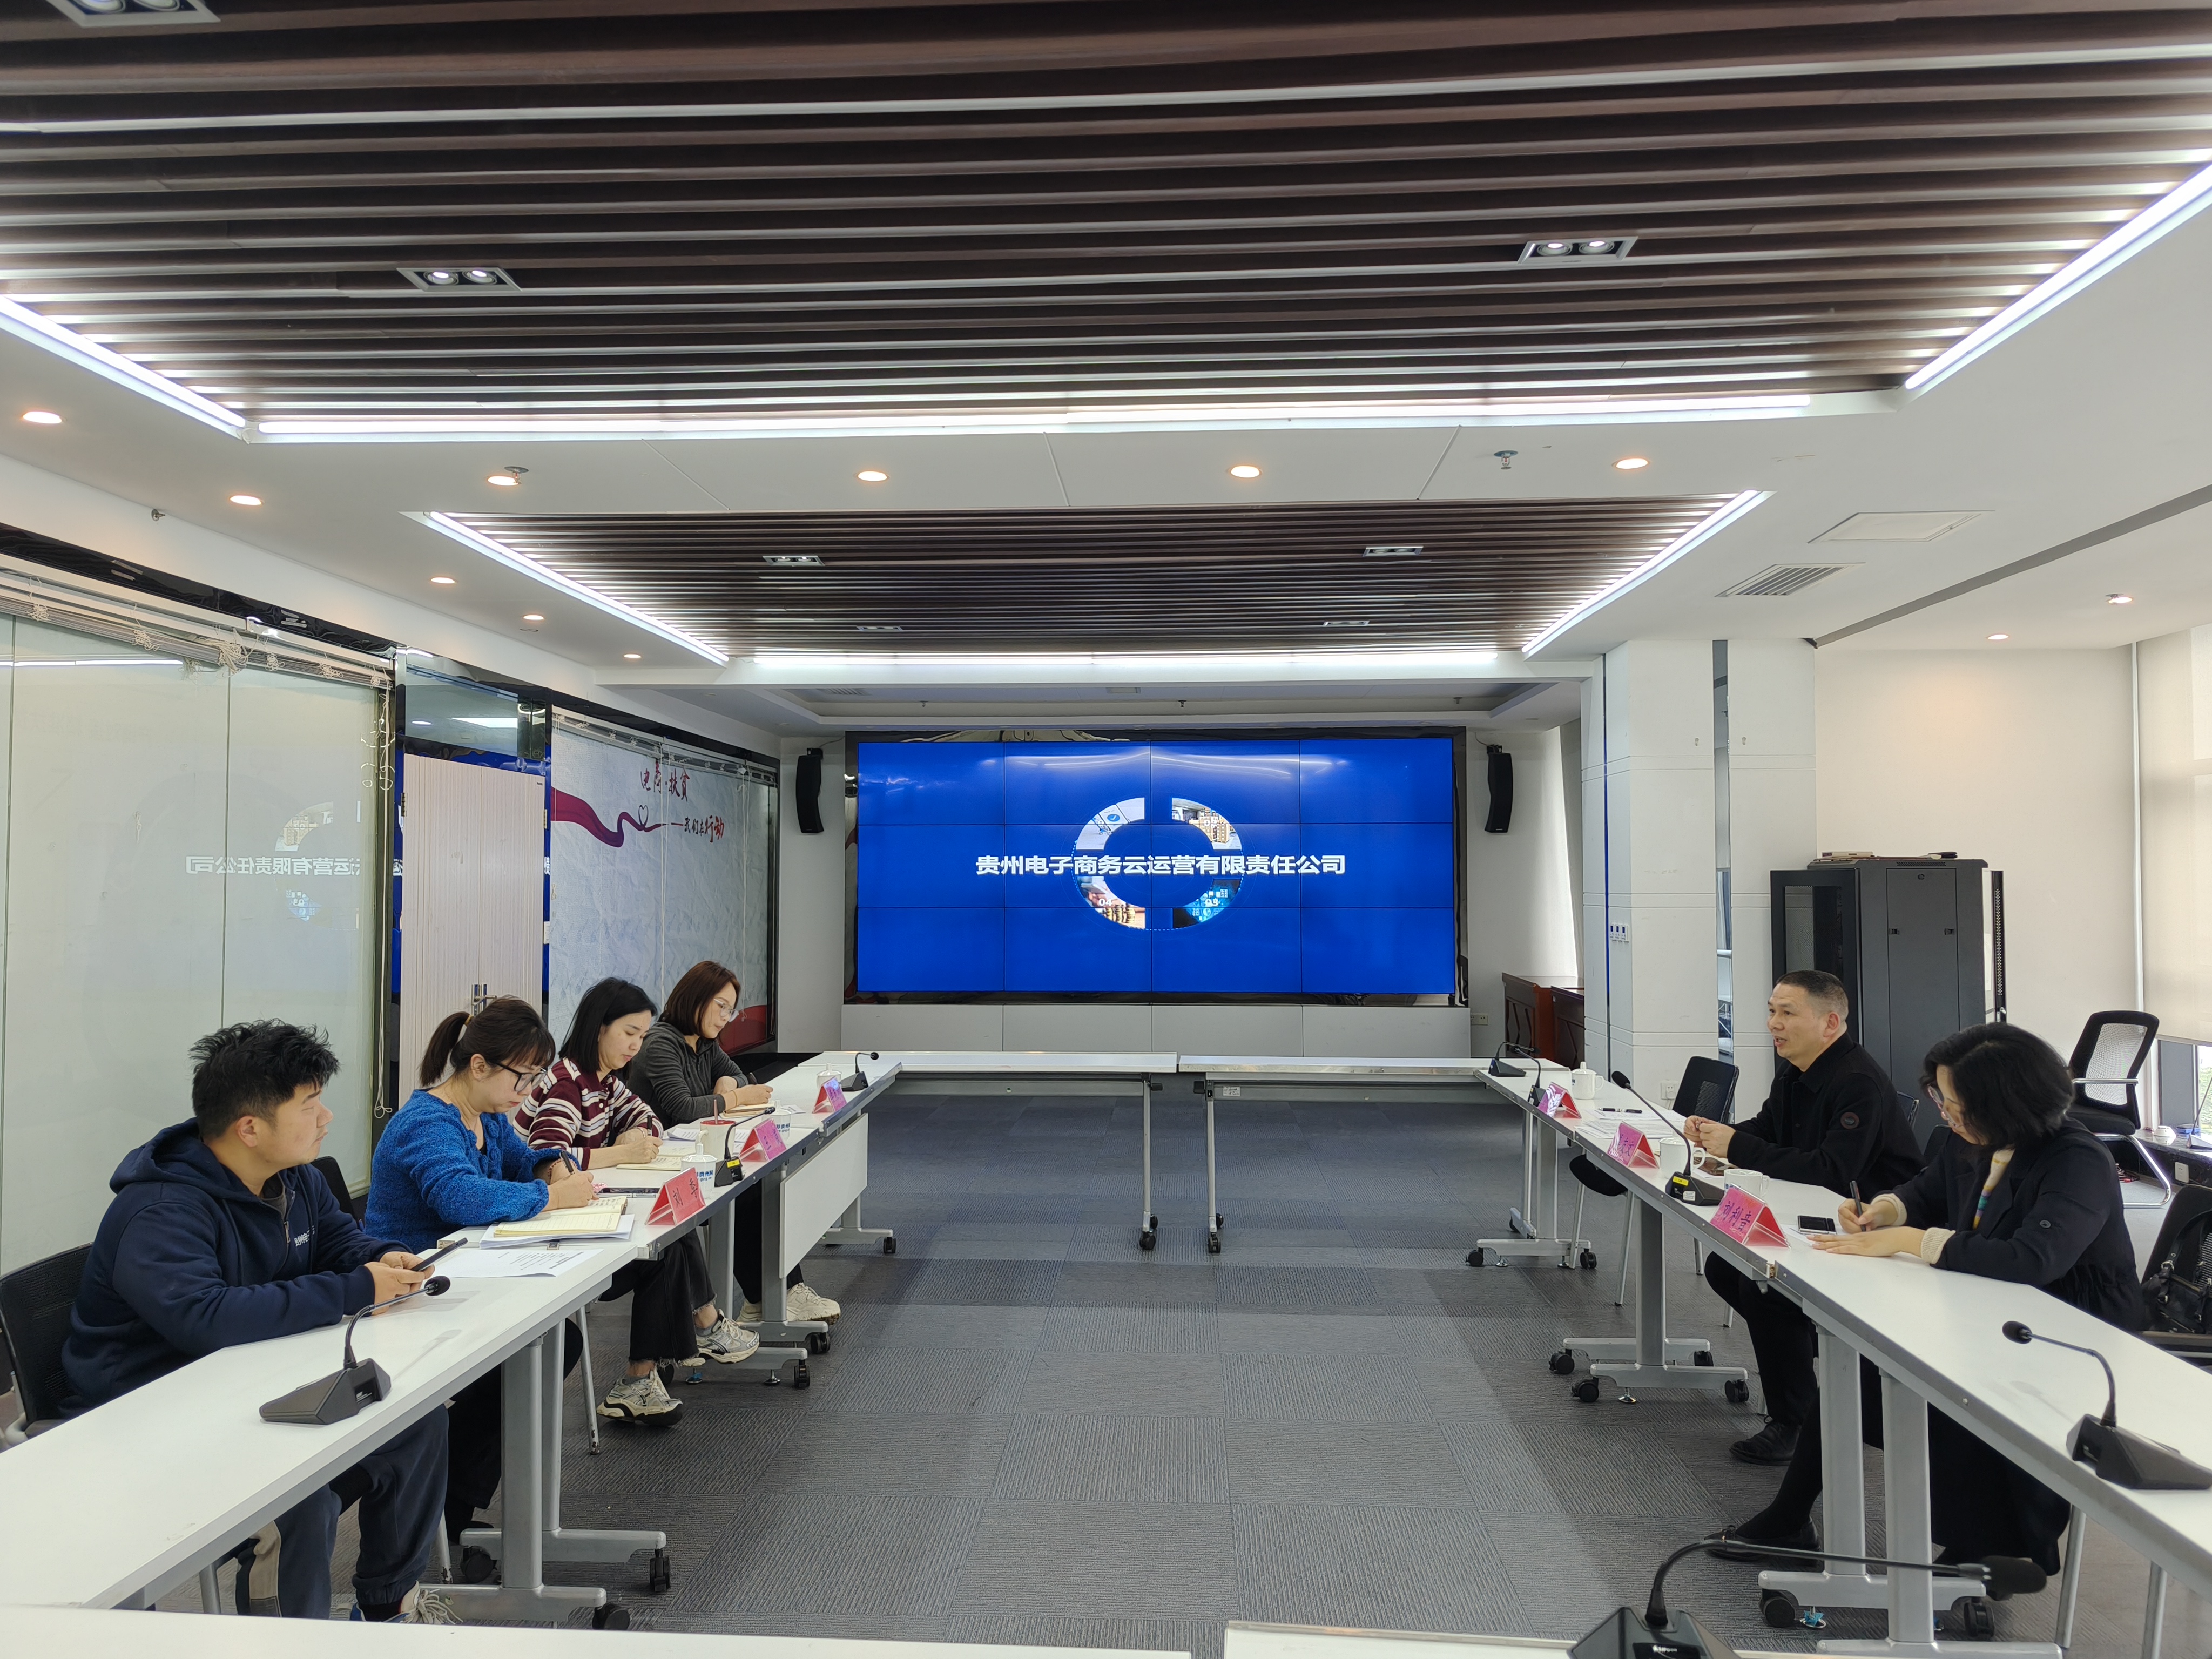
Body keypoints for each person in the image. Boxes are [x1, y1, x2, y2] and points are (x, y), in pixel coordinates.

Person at [63, 1021, 455, 1623]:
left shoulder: (294, 1177)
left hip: (248, 1392)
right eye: (309, 1104)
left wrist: (382, 1258)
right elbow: (207, 1317)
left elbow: (338, 1243)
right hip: (149, 1420)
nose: (326, 1117)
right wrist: (356, 1286)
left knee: (415, 1423)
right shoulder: (161, 1210)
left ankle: (387, 1610)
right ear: (250, 1128)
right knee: (298, 1504)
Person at [1717, 1022, 2140, 1573]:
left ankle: (1988, 1550)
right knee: (1857, 1374)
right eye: (1944, 1101)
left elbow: (2032, 1260)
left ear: (2005, 1104)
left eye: (1956, 1104)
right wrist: (1884, 1210)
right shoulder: (1975, 1140)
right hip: (1983, 1308)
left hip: (2068, 1333)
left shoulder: (2077, 1160)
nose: (1947, 1114)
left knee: (1942, 1394)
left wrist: (1913, 1240)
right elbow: (1925, 1190)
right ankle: (1790, 1518)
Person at [366, 996, 595, 1554]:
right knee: (532, 1353)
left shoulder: (487, 1115)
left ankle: (451, 1509)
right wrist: (552, 1197)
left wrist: (548, 1162)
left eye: (537, 1077)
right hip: (411, 1295)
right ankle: (446, 1513)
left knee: (551, 1343)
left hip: (467, 1284)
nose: (529, 1090)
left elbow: (519, 1159)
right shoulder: (426, 1121)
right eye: (523, 1077)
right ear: (478, 1065)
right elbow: (460, 1197)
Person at [1680, 970, 1924, 1465]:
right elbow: (1769, 1129)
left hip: (1867, 1227)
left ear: (1830, 1023)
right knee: (1727, 1268)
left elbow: (1833, 1172)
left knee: (1763, 1287)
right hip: (1810, 1214)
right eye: (1772, 1011)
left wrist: (1738, 1146)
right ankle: (1813, 1369)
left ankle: (1795, 1420)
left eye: (1788, 1013)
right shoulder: (1795, 1069)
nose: (1774, 1023)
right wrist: (1717, 1135)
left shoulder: (1857, 1082)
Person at [520, 976, 761, 1420]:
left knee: (669, 1232)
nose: (636, 1045)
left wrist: (634, 1134)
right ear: (599, 1028)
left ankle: (645, 1375)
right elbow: (545, 1157)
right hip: (545, 1233)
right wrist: (622, 1153)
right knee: (665, 1240)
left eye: (641, 1036)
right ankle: (700, 1326)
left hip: (583, 1212)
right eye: (629, 1033)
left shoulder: (605, 1081)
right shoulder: (567, 1084)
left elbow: (649, 1118)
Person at [628, 960, 840, 1328]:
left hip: (695, 1157)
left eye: (731, 1010)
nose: (726, 1018)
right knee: (746, 1192)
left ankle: (777, 1296)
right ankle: (766, 1299)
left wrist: (729, 1085)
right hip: (660, 1167)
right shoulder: (662, 1042)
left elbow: (741, 1077)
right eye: (721, 1007)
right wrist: (735, 1097)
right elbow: (682, 1109)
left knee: (759, 1185)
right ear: (696, 998)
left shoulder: (705, 1043)